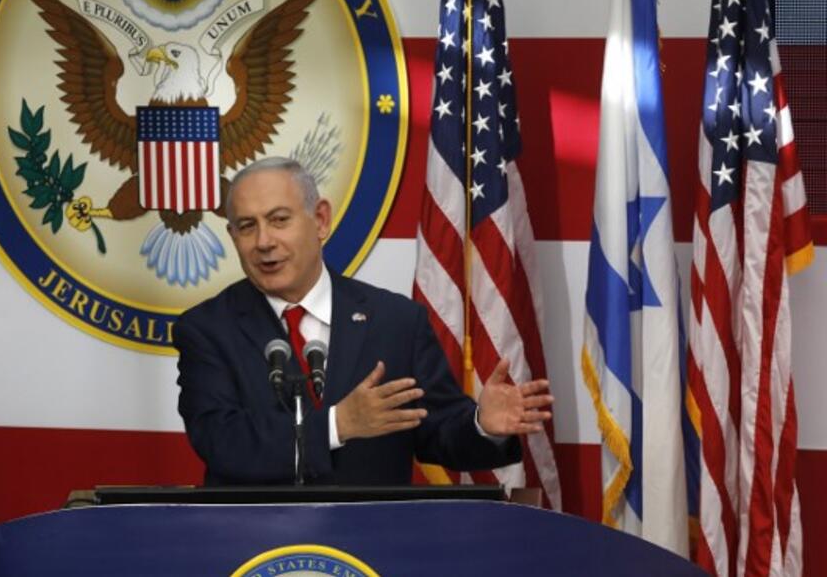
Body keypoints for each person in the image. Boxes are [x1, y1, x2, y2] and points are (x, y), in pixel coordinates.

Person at [175, 157, 553, 485]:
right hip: (257, 552)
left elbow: (437, 429)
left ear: (320, 220)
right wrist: (338, 425)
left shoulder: (396, 321)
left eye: (278, 220)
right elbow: (223, 442)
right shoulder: (207, 329)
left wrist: (481, 425)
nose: (263, 241)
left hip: (373, 547)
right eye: (246, 226)